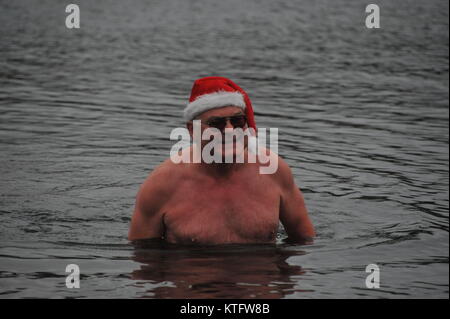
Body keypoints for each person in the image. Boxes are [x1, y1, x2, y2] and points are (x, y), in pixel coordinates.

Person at [128, 76, 315, 244]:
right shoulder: (162, 184)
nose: (229, 131)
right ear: (192, 130)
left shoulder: (273, 170)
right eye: (216, 124)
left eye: (238, 121)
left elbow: (305, 241)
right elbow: (143, 261)